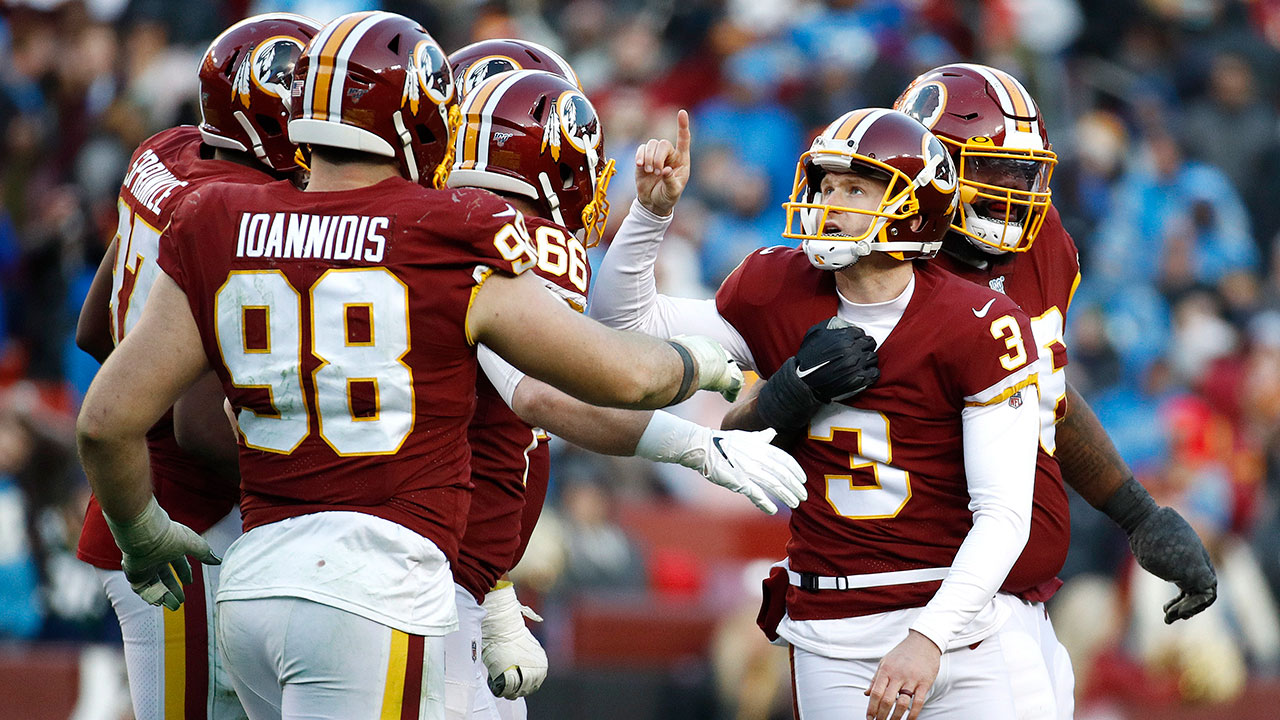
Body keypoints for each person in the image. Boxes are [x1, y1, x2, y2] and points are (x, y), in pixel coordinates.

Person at [75, 11, 747, 720]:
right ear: (422, 119)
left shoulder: (213, 212)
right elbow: (608, 380)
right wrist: (699, 369)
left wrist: (138, 531)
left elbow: (104, 417)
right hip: (372, 582)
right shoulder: (449, 228)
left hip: (253, 581)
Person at [592, 108, 1053, 719]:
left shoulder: (979, 323)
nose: (829, 201)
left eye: (855, 187)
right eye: (826, 185)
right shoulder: (777, 288)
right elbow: (622, 327)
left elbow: (1002, 516)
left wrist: (929, 637)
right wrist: (650, 214)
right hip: (830, 627)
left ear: (916, 205)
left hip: (957, 625)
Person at [440, 67, 805, 719]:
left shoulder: (424, 230)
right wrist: (696, 430)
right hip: (413, 575)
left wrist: (492, 584)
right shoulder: (500, 241)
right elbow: (549, 390)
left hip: (442, 565)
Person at [892, 63, 1216, 706]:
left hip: (1021, 599)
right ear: (929, 171)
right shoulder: (876, 254)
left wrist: (1136, 513)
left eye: (1023, 170)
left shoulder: (1044, 244)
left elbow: (1046, 394)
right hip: (901, 595)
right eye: (990, 170)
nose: (1013, 190)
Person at [72, 13, 322, 720]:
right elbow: (200, 429)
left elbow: (96, 331)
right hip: (184, 520)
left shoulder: (168, 150)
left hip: (145, 493)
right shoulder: (244, 211)